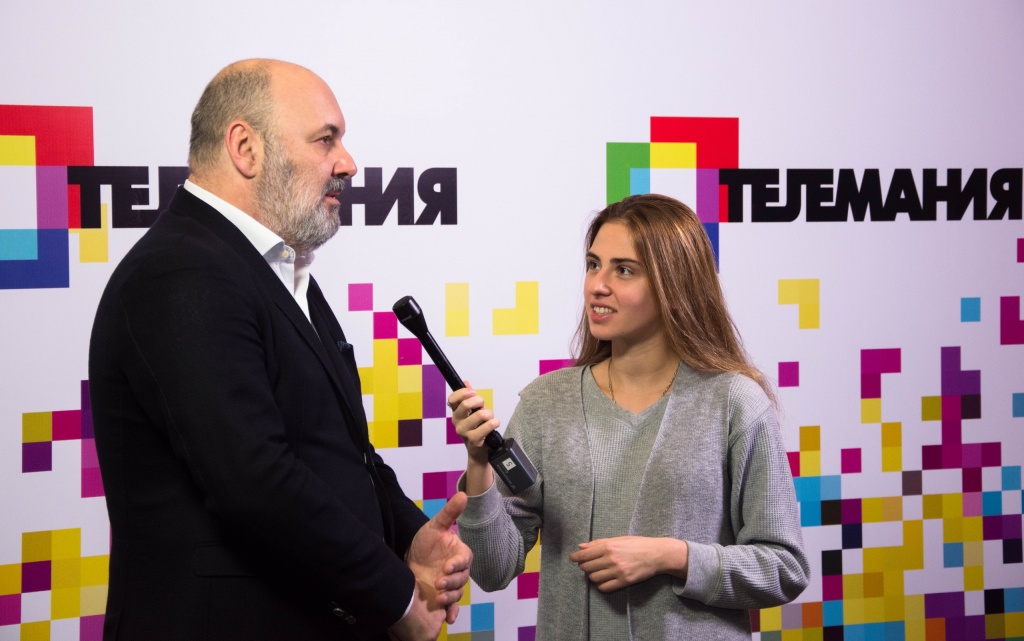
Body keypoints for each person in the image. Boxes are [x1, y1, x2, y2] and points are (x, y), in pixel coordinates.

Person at [89, 59, 471, 641]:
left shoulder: (277, 271)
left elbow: (337, 451)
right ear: (246, 148)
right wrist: (396, 599)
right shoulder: (181, 272)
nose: (348, 163)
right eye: (326, 139)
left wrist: (408, 533)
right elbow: (255, 480)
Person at [449, 194, 810, 640]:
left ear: (674, 284)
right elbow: (492, 570)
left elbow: (784, 568)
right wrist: (479, 465)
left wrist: (672, 557)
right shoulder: (546, 402)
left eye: (624, 270)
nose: (597, 285)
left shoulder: (735, 403)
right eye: (593, 264)